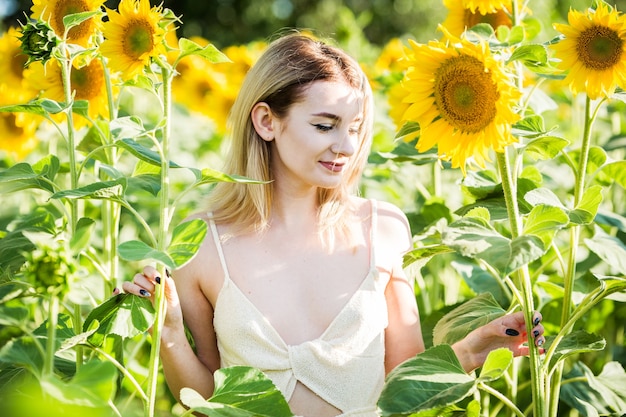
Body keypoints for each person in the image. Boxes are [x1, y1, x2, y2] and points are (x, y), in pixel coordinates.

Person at [119, 33, 545, 417]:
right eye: (325, 125)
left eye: (355, 129)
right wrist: (170, 333)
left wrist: (471, 350)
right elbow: (205, 400)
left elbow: (403, 382)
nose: (345, 147)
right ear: (267, 121)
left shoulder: (383, 229)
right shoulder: (203, 241)